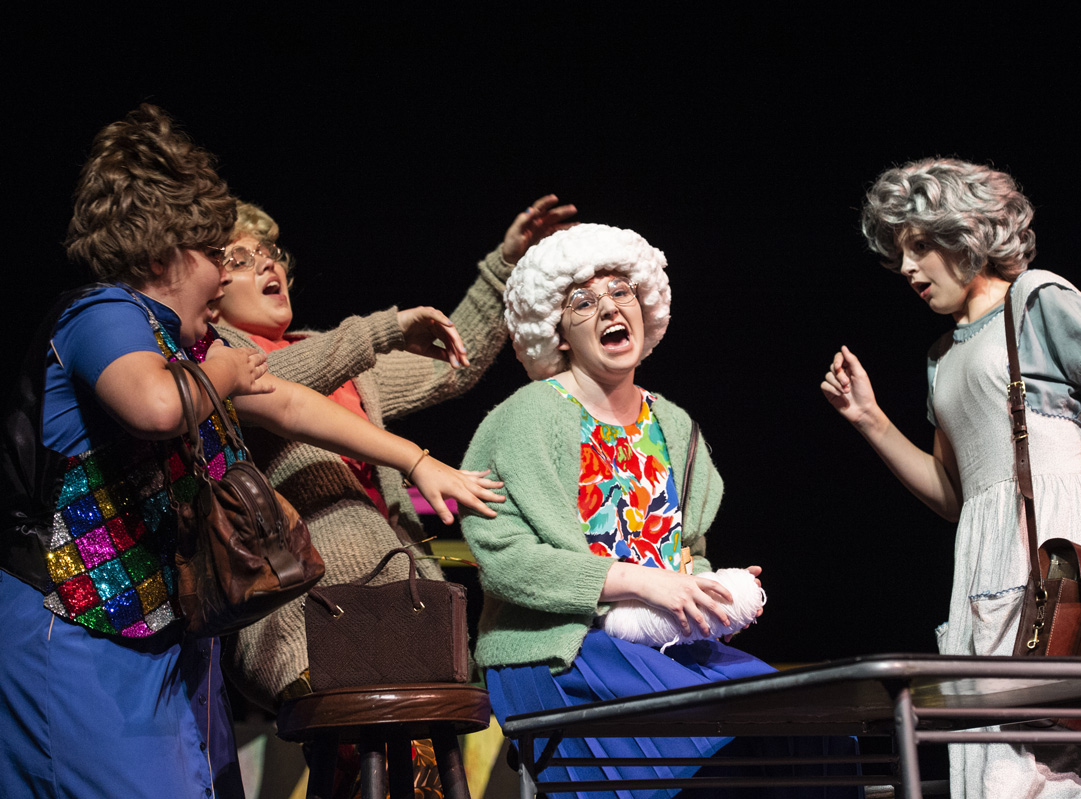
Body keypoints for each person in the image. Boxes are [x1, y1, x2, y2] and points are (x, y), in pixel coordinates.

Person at [0, 104, 502, 799]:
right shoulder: (103, 315)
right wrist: (225, 374)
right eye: (215, 256)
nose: (226, 273)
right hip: (80, 632)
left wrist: (415, 459)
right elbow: (155, 405)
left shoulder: (189, 346)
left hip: (166, 643)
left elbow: (293, 403)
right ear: (162, 255)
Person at [462, 223, 860, 798]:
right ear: (560, 334)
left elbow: (685, 552)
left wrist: (708, 587)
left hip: (664, 644)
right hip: (561, 651)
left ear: (643, 308)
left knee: (807, 732)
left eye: (620, 292)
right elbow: (505, 561)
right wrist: (642, 585)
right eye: (583, 302)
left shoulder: (674, 425)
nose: (608, 308)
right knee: (709, 753)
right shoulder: (521, 420)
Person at [820, 158, 1081, 798]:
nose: (908, 269)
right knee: (990, 766)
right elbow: (956, 494)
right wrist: (869, 420)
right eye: (901, 253)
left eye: (920, 246)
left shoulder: (1039, 301)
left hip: (1062, 546)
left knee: (1058, 768)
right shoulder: (940, 357)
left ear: (966, 234)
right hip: (983, 561)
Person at [213, 195, 577, 710]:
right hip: (305, 621)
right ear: (211, 288)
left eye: (270, 253)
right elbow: (276, 386)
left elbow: (455, 362)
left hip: (398, 603)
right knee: (360, 771)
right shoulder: (215, 354)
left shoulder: (343, 361)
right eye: (241, 260)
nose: (269, 263)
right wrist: (380, 331)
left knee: (422, 769)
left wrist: (507, 264)